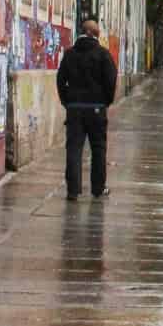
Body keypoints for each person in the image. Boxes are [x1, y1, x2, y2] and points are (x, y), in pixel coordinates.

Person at [57, 18, 117, 200]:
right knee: (98, 149)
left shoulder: (69, 54)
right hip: (97, 109)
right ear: (96, 35)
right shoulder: (103, 55)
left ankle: (73, 190)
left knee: (74, 148)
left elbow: (60, 80)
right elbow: (111, 81)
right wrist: (105, 102)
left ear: (82, 32)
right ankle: (98, 188)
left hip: (75, 108)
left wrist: (67, 101)